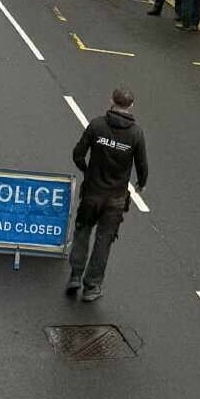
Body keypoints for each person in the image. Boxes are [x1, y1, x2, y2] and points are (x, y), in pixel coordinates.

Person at [68, 87, 148, 302]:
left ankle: (75, 275)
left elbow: (77, 154)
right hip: (115, 198)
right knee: (103, 242)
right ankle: (92, 287)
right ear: (131, 105)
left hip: (92, 193)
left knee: (82, 232)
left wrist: (87, 171)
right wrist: (141, 184)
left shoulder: (97, 125)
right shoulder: (136, 133)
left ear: (111, 100)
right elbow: (142, 165)